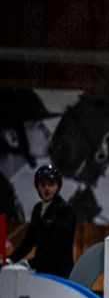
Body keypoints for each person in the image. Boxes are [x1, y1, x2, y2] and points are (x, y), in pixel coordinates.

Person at [1, 89, 60, 224]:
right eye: (39, 126)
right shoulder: (2, 195)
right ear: (12, 138)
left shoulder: (5, 189)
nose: (48, 133)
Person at [8, 164, 76, 278]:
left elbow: (57, 247)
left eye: (51, 184)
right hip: (41, 271)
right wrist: (10, 259)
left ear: (58, 186)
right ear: (37, 187)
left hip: (60, 273)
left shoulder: (65, 210)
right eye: (43, 185)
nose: (46, 189)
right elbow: (28, 242)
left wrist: (29, 263)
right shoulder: (37, 208)